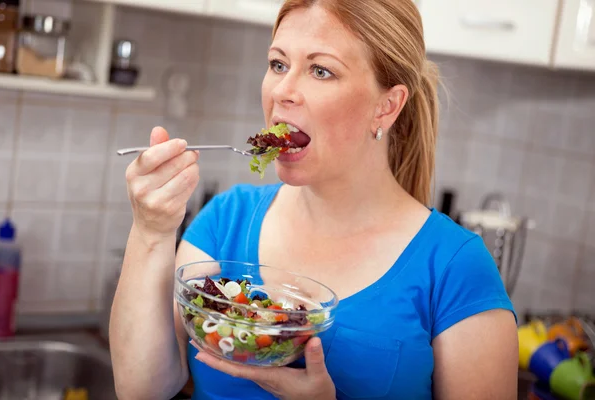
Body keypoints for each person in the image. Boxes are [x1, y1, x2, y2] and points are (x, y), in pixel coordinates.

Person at [109, 0, 519, 399]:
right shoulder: (225, 221)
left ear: (387, 106)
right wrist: (151, 230)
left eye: (321, 71)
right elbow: (141, 389)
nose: (283, 91)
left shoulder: (456, 268)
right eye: (278, 64)